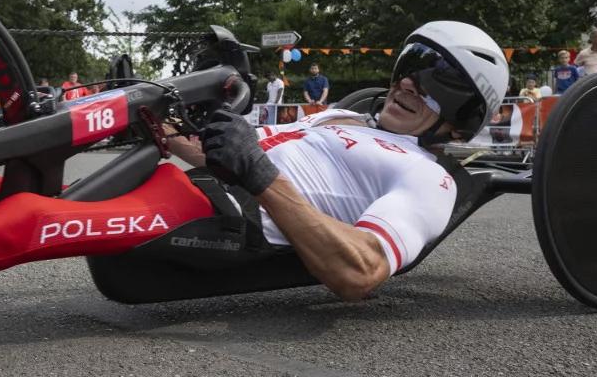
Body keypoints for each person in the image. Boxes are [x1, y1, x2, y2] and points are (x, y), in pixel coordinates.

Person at [168, 21, 508, 300]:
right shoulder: (344, 116)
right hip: (192, 186)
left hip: (229, 211)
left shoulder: (430, 178)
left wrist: (258, 173)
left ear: (461, 122)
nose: (407, 83)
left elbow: (361, 270)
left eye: (436, 86)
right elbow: (229, 147)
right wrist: (158, 120)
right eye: (411, 67)